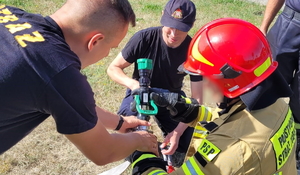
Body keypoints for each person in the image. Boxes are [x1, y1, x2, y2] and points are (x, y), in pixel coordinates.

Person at [129, 18, 297, 175]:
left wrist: (142, 154)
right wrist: (182, 107)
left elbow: (231, 136)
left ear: (228, 80)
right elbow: (231, 119)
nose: (204, 85)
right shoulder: (276, 106)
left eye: (205, 77)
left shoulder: (232, 151)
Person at [0, 0, 159, 166]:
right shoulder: (60, 73)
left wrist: (120, 123)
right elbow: (104, 151)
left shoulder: (10, 12)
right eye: (111, 48)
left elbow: (72, 102)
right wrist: (139, 139)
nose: (106, 55)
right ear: (95, 41)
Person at [107, 0, 203, 166]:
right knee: (127, 130)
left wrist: (177, 133)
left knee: (185, 141)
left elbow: (198, 99)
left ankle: (168, 159)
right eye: (171, 25)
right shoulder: (144, 38)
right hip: (140, 92)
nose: (174, 33)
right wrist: (134, 85)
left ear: (192, 25)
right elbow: (113, 68)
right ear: (162, 17)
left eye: (181, 28)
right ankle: (142, 160)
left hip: (171, 96)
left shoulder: (193, 50)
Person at [260, 0, 300, 164]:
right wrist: (264, 26)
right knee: (266, 80)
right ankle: (255, 133)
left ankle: (295, 141)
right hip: (291, 21)